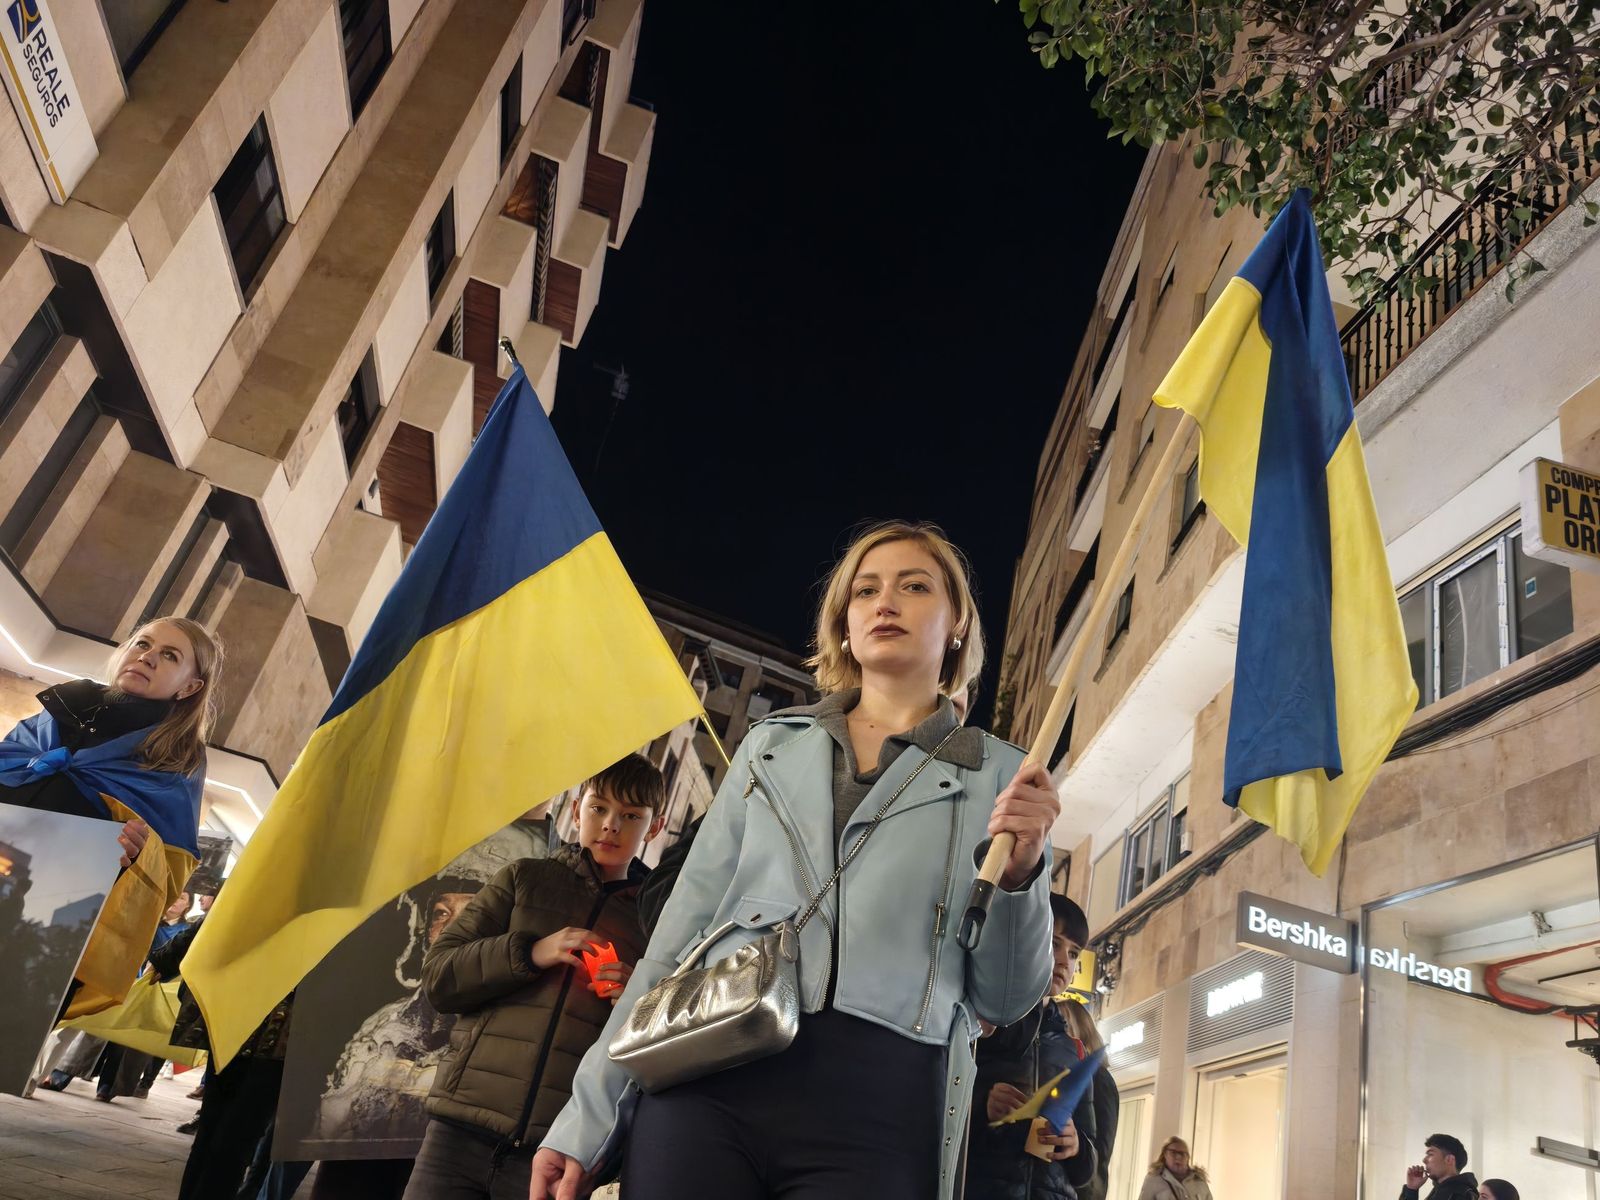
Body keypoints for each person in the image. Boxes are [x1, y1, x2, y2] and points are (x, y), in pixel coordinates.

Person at [533, 520, 1062, 1200]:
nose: (885, 602)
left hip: (884, 1107)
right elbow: (677, 939)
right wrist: (587, 1117)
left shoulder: (1004, 777)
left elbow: (1006, 996)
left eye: (914, 586)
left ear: (957, 623)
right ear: (845, 621)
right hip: (708, 1071)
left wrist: (1020, 876)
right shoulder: (771, 747)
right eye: (865, 590)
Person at [400, 753, 667, 1200]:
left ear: (654, 828)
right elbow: (440, 978)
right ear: (577, 809)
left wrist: (636, 999)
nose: (610, 825)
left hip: (559, 1147)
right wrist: (530, 952)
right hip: (458, 1130)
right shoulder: (524, 878)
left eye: (630, 816)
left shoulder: (657, 919)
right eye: (599, 807)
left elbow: (662, 1040)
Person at [0, 617, 222, 1019]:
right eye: (143, 644)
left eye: (170, 656)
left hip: (51, 920)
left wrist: (137, 857)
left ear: (190, 687)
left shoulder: (177, 761)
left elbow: (167, 870)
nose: (148, 657)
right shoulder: (60, 708)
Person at [966, 894, 1099, 1200]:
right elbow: (935, 1116)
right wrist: (983, 1105)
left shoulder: (1073, 1050)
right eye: (1054, 944)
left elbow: (1088, 1168)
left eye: (1074, 953)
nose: (1064, 961)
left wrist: (1076, 1145)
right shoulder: (982, 1023)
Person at [1057, 996, 1118, 1200]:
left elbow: (1100, 1151)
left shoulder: (1099, 1078)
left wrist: (1077, 1146)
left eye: (1063, 1025)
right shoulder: (1063, 1075)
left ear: (1080, 1030)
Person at [1402, 1134, 1478, 1200]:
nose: (1424, 1160)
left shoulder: (1461, 1195)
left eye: (1430, 1154)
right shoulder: (1440, 1191)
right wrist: (1411, 1190)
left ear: (1449, 1159)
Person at [1138, 1137, 1211, 1200]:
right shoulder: (1154, 1179)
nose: (1178, 1157)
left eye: (1182, 1154)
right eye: (1173, 1152)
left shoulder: (1199, 1180)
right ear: (1165, 1154)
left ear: (1188, 1157)